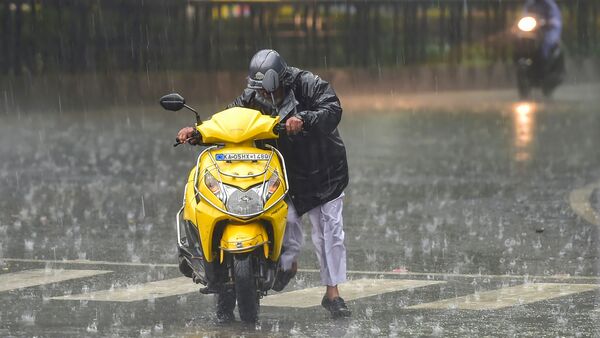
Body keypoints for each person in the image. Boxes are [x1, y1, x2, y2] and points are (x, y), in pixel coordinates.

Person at [176, 49, 351, 319]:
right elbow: (229, 119)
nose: (267, 98)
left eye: (272, 91)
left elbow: (332, 108)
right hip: (284, 173)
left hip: (322, 172)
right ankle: (282, 268)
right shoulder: (254, 95)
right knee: (287, 234)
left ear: (282, 80)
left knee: (329, 233)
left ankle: (333, 293)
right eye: (261, 92)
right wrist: (199, 131)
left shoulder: (307, 84)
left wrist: (304, 119)